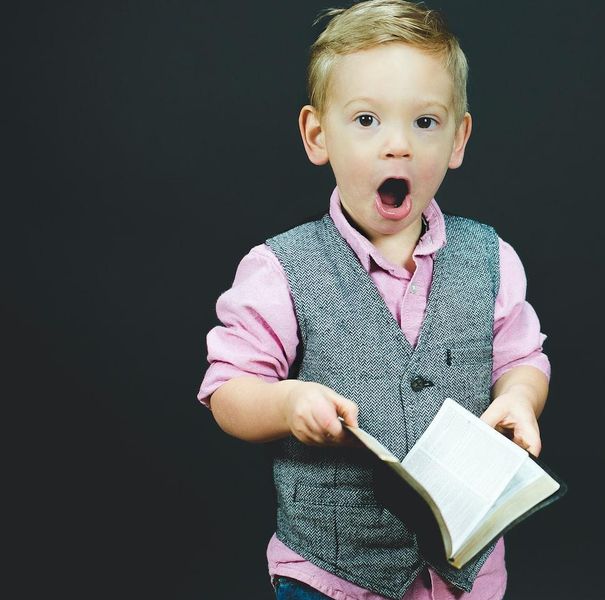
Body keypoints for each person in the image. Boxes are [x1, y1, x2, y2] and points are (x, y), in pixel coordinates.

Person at [196, 2, 550, 598]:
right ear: (317, 135)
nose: (398, 146)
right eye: (366, 120)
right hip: (331, 574)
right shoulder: (280, 269)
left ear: (459, 138)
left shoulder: (492, 259)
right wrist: (287, 403)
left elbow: (523, 359)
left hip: (465, 575)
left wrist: (519, 397)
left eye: (425, 122)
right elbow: (226, 390)